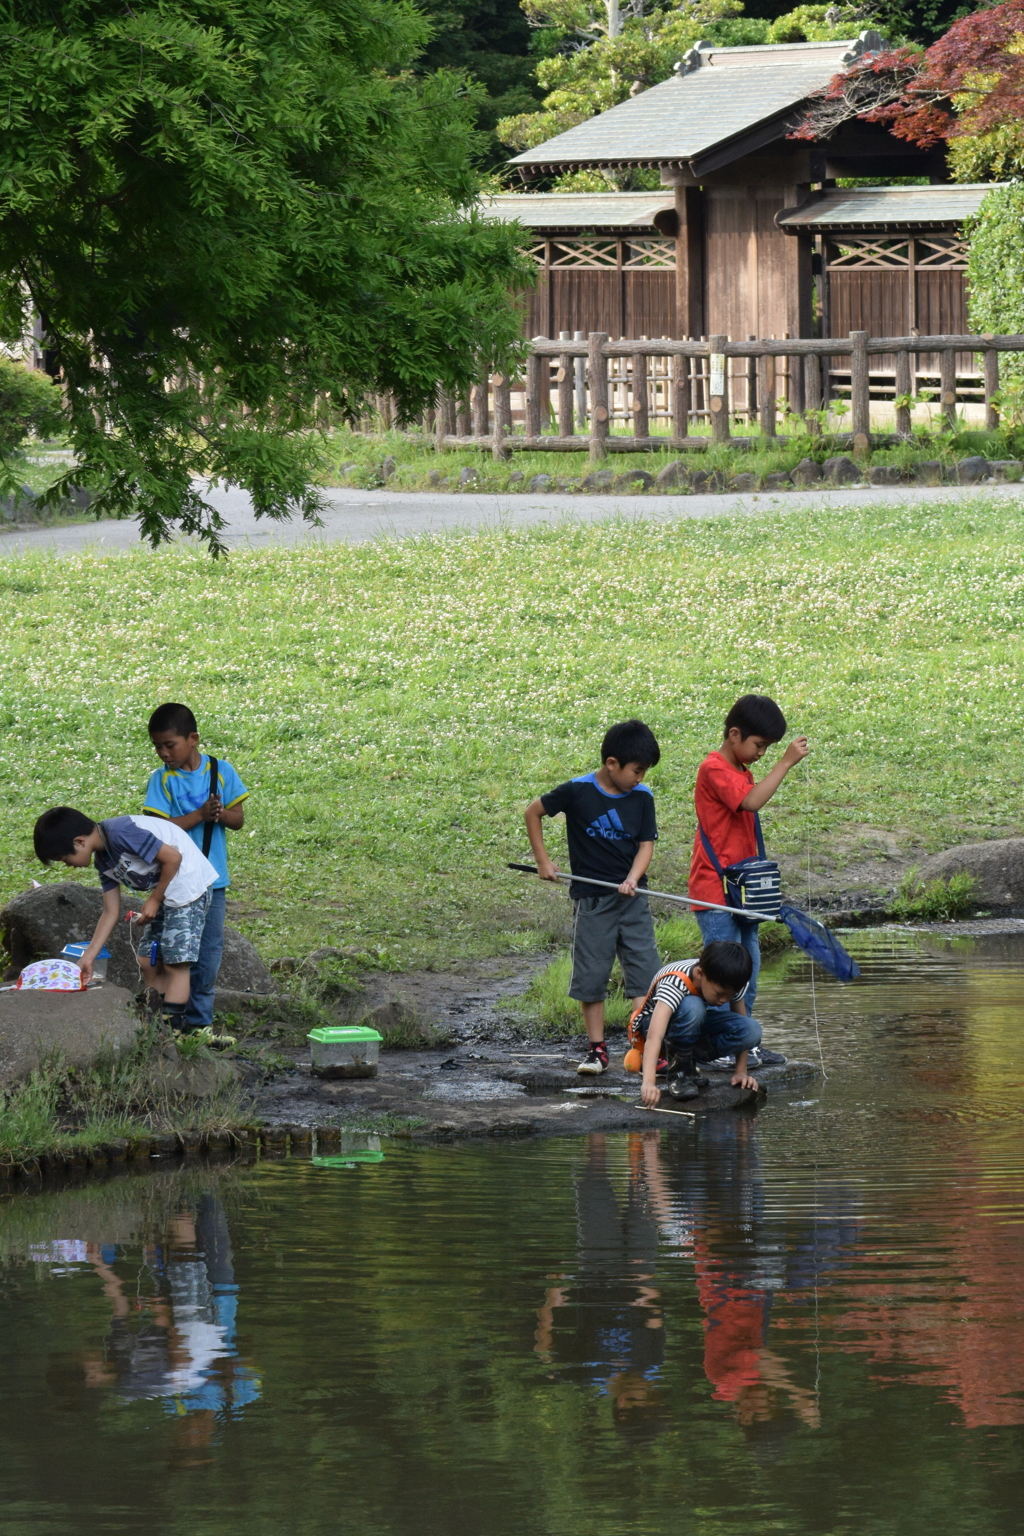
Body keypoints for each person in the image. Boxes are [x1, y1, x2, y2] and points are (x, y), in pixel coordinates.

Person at [525, 719, 661, 1076]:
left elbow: (645, 845)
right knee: (592, 974)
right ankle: (597, 1050)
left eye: (644, 771)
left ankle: (645, 1046)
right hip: (592, 901)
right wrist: (543, 861)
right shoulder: (577, 791)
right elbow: (533, 812)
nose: (640, 778)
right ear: (612, 763)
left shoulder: (642, 798)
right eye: (637, 770)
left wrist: (632, 879)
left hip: (633, 901)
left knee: (644, 974)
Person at [689, 693, 807, 1070]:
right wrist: (786, 762)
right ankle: (715, 1046)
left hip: (743, 893)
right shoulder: (714, 769)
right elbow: (752, 803)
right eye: (759, 746)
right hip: (716, 892)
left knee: (749, 970)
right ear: (735, 734)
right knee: (724, 974)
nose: (761, 754)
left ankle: (743, 1044)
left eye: (768, 749)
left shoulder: (740, 769)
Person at [32, 805, 218, 1034]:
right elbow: (110, 911)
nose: (67, 865)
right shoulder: (104, 860)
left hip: (187, 886)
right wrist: (88, 957)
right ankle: (160, 1021)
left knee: (175, 962)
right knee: (146, 961)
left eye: (64, 858)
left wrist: (155, 900)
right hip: (165, 892)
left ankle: (174, 1034)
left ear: (79, 842)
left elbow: (173, 857)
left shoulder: (121, 833)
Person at [143, 702, 248, 1034]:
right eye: (157, 746)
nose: (163, 753)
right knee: (174, 953)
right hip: (175, 882)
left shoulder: (221, 771)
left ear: (193, 738)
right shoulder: (161, 781)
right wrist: (200, 815)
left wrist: (219, 813)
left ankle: (201, 1024)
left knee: (208, 953)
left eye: (169, 745)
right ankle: (168, 1019)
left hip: (212, 880)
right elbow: (159, 830)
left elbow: (238, 821)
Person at [634, 941, 760, 1103]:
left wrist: (741, 1072)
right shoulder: (675, 983)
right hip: (654, 1027)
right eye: (720, 994)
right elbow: (654, 1036)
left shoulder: (731, 981)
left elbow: (742, 1020)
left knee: (751, 1030)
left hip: (692, 1026)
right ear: (700, 974)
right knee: (693, 1006)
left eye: (729, 996)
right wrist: (649, 1083)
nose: (723, 1000)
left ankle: (689, 1064)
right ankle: (679, 1073)